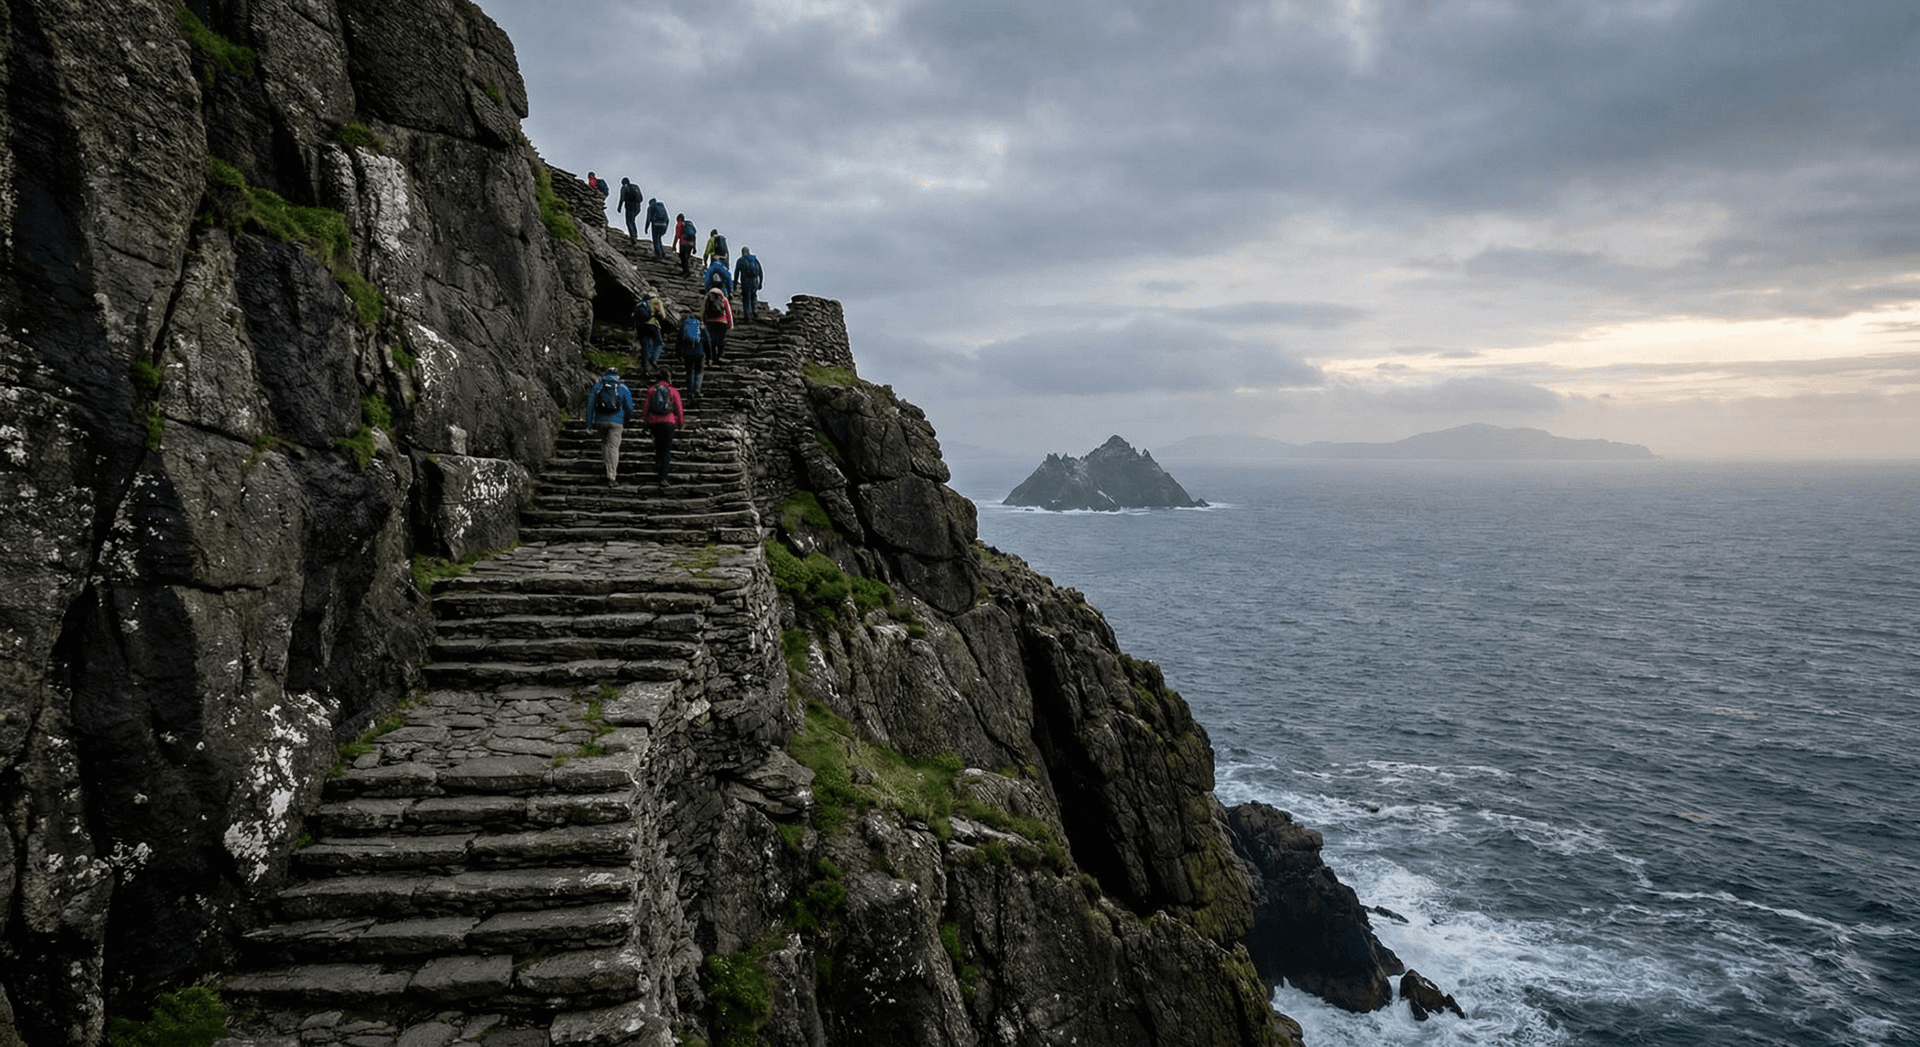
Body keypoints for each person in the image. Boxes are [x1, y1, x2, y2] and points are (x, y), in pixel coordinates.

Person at [582, 367, 633, 486]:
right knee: (613, 448)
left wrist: (589, 424)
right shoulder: (622, 387)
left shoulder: (598, 386)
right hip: (616, 421)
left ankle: (606, 469)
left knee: (605, 444)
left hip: (600, 420)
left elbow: (589, 404)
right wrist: (625, 420)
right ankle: (611, 476)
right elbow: (629, 406)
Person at [638, 373, 685, 486]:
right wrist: (680, 423)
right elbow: (679, 408)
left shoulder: (651, 390)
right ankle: (663, 477)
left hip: (654, 422)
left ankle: (659, 470)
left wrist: (646, 422)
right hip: (668, 422)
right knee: (666, 450)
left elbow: (646, 408)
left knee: (658, 447)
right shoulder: (673, 391)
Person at [633, 285, 667, 378]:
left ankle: (646, 370)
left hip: (641, 327)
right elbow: (663, 316)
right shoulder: (656, 301)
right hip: (652, 325)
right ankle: (654, 359)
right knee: (659, 343)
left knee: (645, 347)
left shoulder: (641, 302)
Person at [677, 313, 711, 398]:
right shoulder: (701, 327)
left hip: (687, 353)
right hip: (699, 352)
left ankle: (690, 391)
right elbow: (707, 342)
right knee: (699, 371)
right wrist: (709, 357)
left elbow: (678, 342)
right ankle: (697, 389)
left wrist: (678, 354)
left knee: (689, 372)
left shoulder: (684, 326)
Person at [701, 285, 733, 365]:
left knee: (711, 341)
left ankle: (710, 358)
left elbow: (703, 310)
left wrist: (703, 320)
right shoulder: (723, 299)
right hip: (722, 323)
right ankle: (719, 357)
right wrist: (730, 324)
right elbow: (728, 313)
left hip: (710, 321)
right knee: (721, 341)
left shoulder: (707, 298)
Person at [734, 248, 763, 323]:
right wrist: (760, 283)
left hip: (745, 283)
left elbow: (736, 273)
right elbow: (761, 272)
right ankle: (754, 309)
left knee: (746, 299)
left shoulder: (740, 260)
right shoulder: (754, 259)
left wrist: (734, 285)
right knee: (754, 296)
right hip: (754, 282)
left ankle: (748, 318)